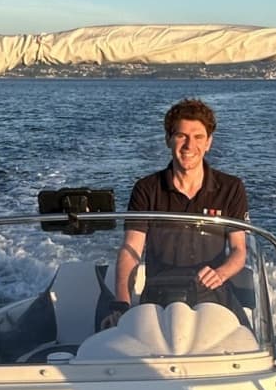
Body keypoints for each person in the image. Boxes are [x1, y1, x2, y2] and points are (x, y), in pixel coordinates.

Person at [106, 98, 248, 323]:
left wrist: (220, 273)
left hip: (213, 294)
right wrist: (122, 303)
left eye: (198, 137)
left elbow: (239, 250)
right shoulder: (147, 189)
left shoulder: (231, 188)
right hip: (158, 298)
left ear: (209, 142)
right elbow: (131, 249)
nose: (189, 146)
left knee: (250, 344)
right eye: (181, 136)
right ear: (168, 140)